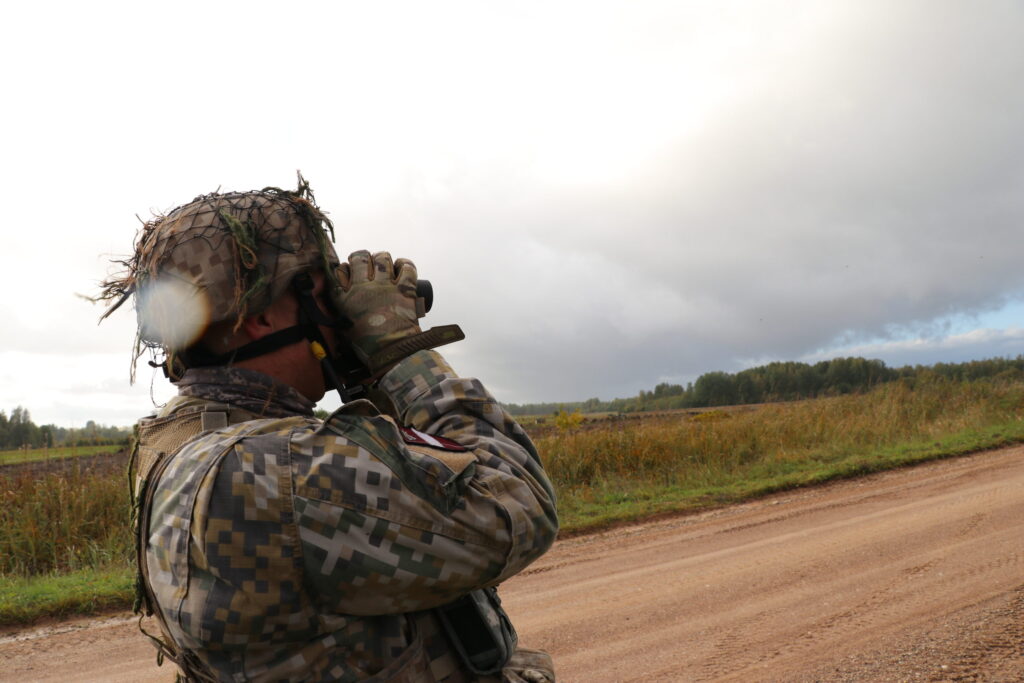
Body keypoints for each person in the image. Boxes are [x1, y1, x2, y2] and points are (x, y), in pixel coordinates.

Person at [97, 177, 559, 682]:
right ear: (261, 316)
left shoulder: (175, 438)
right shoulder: (273, 467)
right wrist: (399, 350)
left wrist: (360, 377)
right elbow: (517, 504)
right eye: (322, 284)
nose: (341, 304)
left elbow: (397, 470)